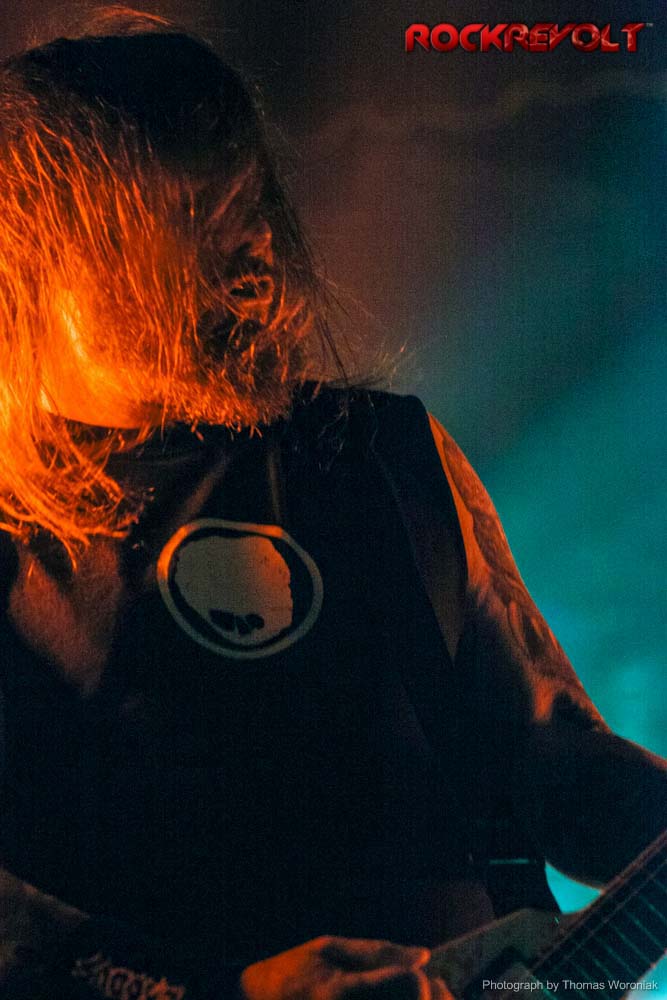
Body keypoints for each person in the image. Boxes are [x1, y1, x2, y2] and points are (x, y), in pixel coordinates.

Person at [0, 10, 664, 1000]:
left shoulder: (378, 453)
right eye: (194, 214)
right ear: (49, 247)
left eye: (251, 202)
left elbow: (548, 756)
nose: (256, 254)